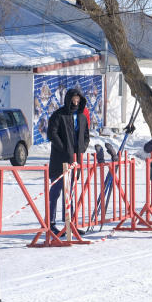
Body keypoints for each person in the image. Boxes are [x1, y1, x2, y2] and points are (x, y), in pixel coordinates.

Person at [47, 88, 90, 234]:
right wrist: (64, 148)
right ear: (68, 100)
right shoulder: (59, 115)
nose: (76, 104)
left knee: (70, 193)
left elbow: (86, 135)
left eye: (78, 101)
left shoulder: (82, 116)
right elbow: (51, 134)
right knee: (56, 192)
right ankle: (51, 223)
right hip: (60, 160)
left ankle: (70, 223)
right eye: (74, 101)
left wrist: (81, 149)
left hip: (75, 161)